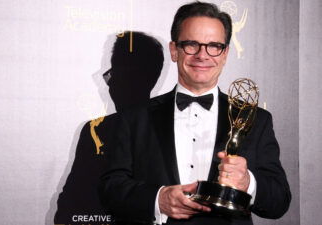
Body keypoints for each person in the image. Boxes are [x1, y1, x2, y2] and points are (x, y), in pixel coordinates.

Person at [98, 1, 291, 225]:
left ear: (225, 53)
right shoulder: (134, 118)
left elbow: (279, 202)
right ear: (174, 50)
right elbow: (109, 190)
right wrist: (157, 199)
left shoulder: (256, 119)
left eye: (214, 46)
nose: (203, 55)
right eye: (191, 44)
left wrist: (248, 183)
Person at [54, 31, 164, 225]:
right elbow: (67, 208)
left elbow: (68, 208)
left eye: (114, 72)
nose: (109, 83)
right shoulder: (95, 130)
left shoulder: (96, 130)